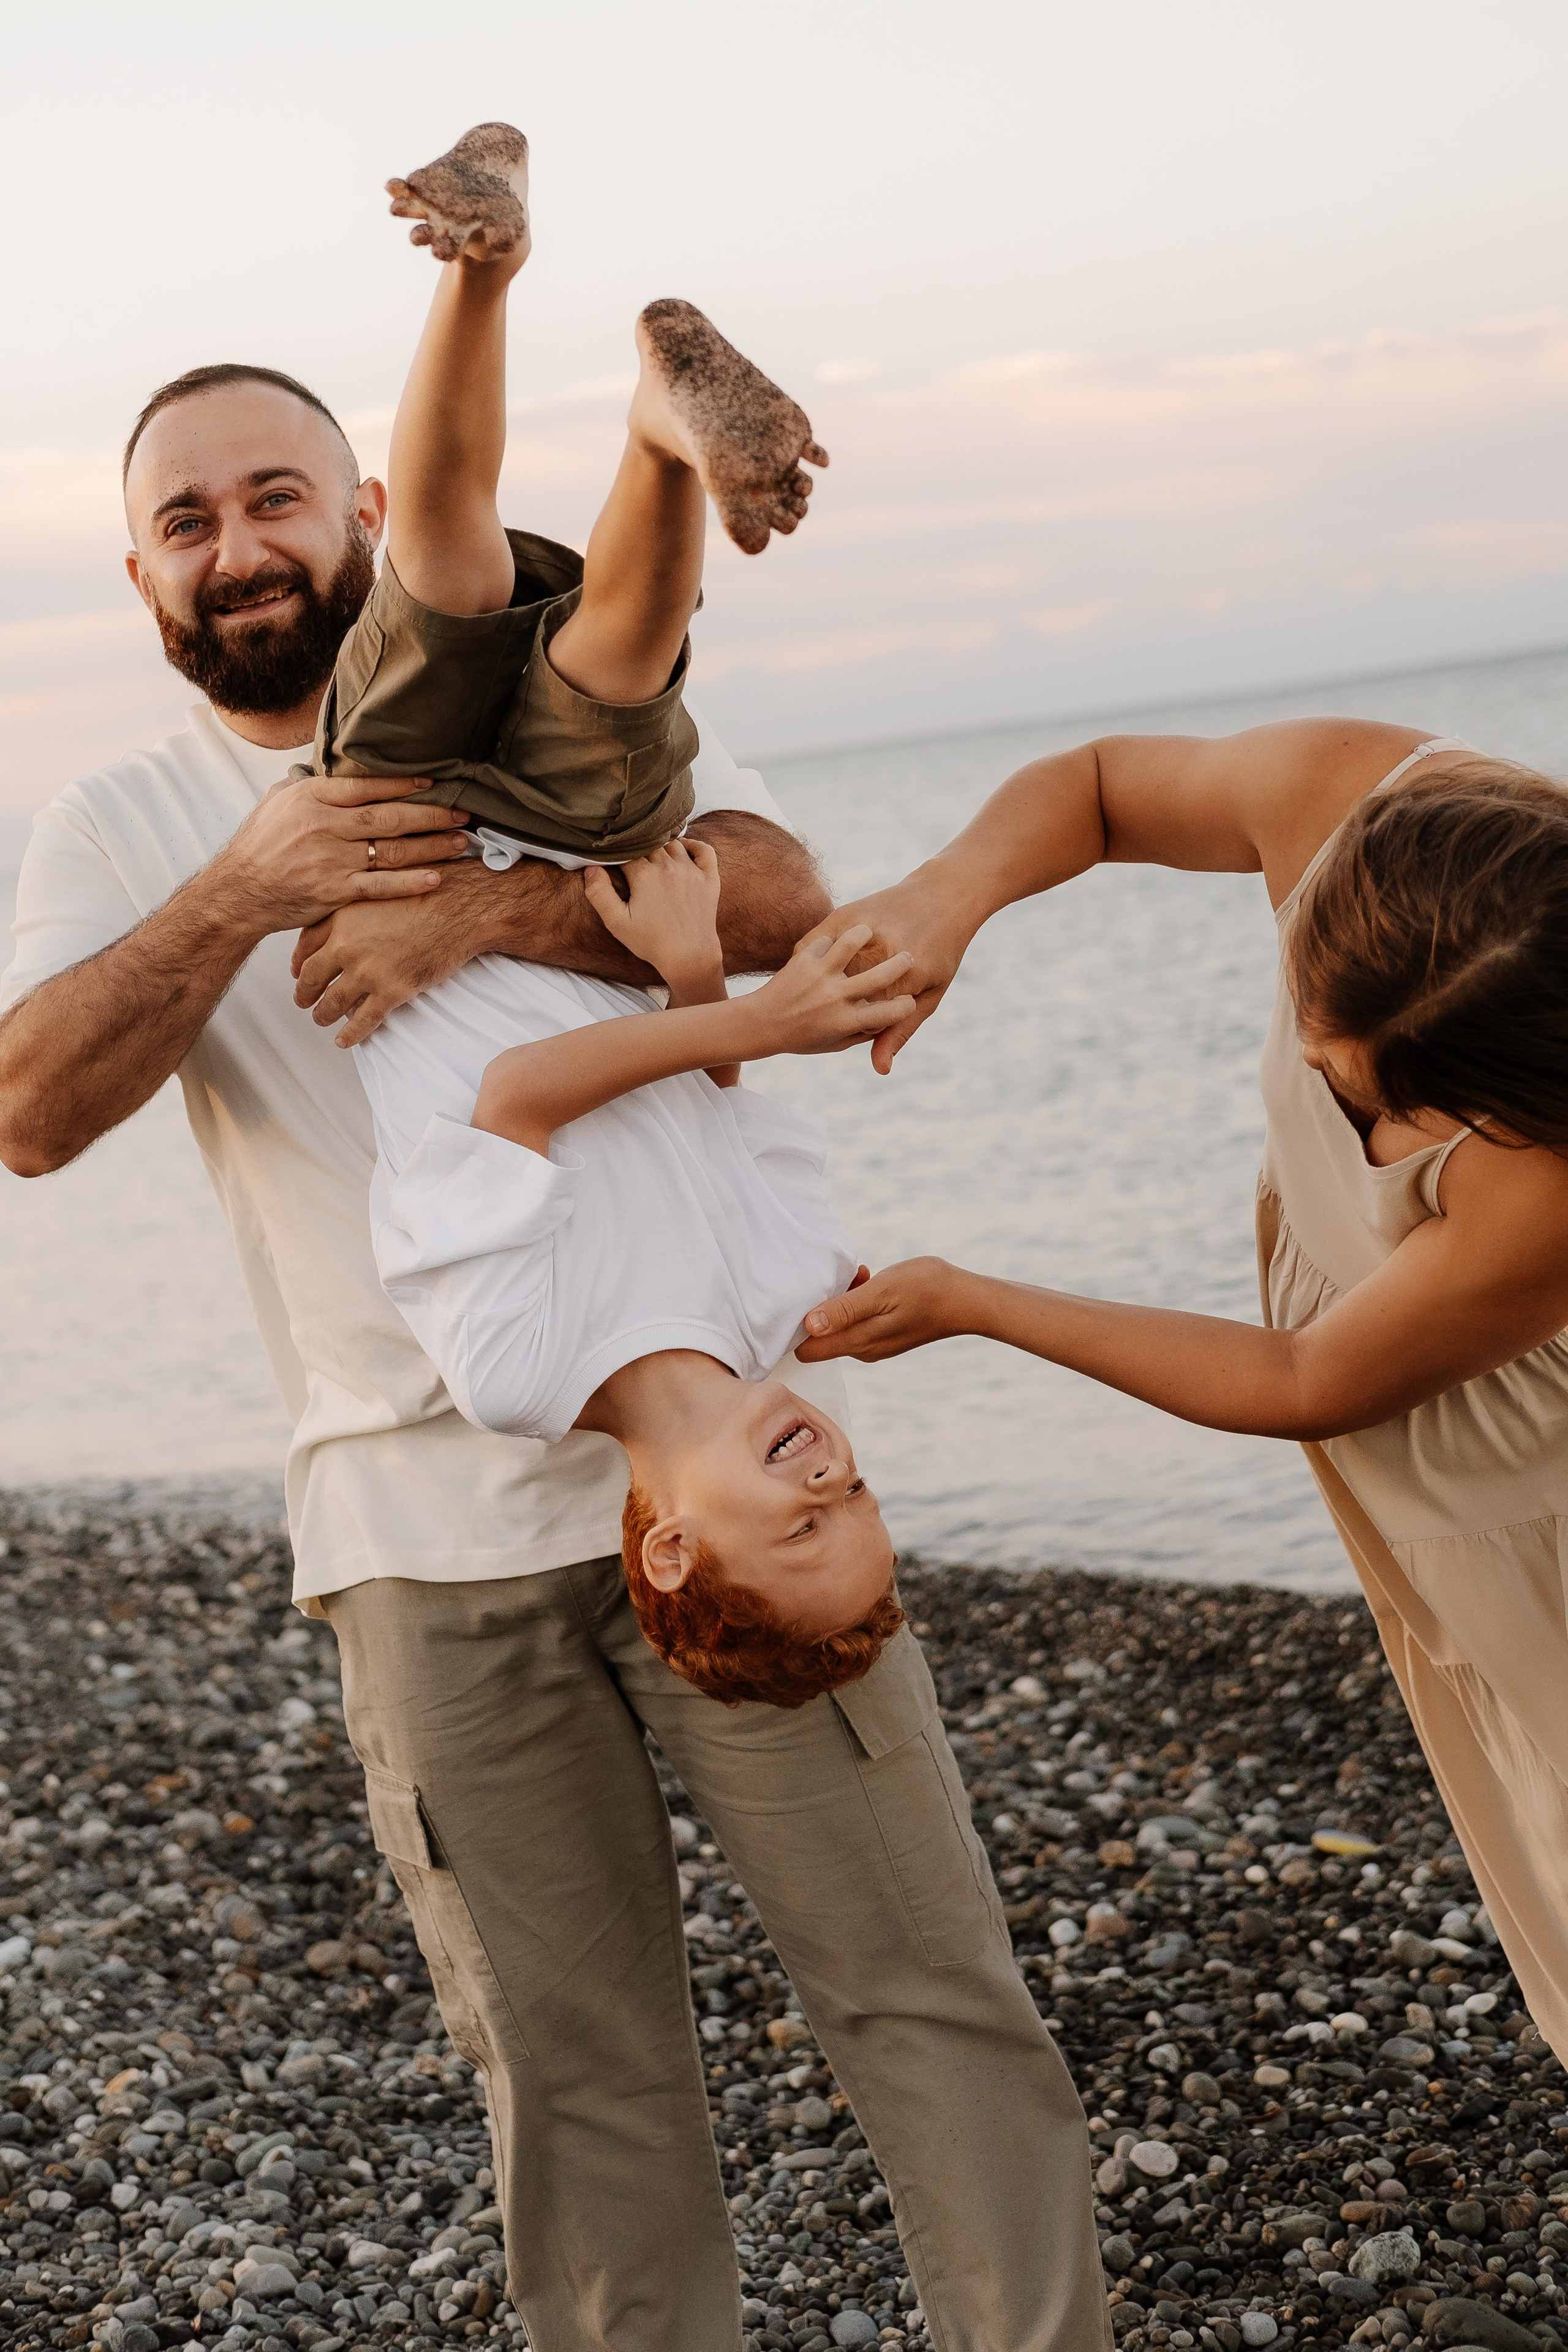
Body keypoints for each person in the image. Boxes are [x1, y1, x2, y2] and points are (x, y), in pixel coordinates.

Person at [0, 135, 1114, 2352]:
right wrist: (252, 887)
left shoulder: (523, 724)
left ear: (348, 507)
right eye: (190, 516)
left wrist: (476, 914)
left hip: (744, 1469)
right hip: (423, 1537)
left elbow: (788, 905)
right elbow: (29, 1109)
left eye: (277, 495)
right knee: (576, 2067)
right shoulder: (122, 822)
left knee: (924, 1983)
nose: (241, 543)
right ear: (135, 569)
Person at [797, 718, 1568, 2060]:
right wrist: (947, 897)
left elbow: (1303, 1377)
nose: (1355, 1136)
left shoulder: (1548, 1181)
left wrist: (977, 1303)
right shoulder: (1359, 811)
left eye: (1396, 1122)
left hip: (1527, 1519)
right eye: (1329, 1070)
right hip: (1427, 1502)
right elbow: (1093, 789)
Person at [333, 121, 907, 1703]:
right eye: (857, 1505)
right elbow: (719, 1113)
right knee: (617, 661)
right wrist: (691, 971)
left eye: (797, 1535)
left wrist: (750, 1011)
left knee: (442, 573)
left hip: (397, 847)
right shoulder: (790, 1300)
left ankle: (480, 268)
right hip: (578, 875)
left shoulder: (518, 1379)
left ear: (663, 1545)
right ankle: (665, 432)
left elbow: (516, 1102)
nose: (825, 1484)